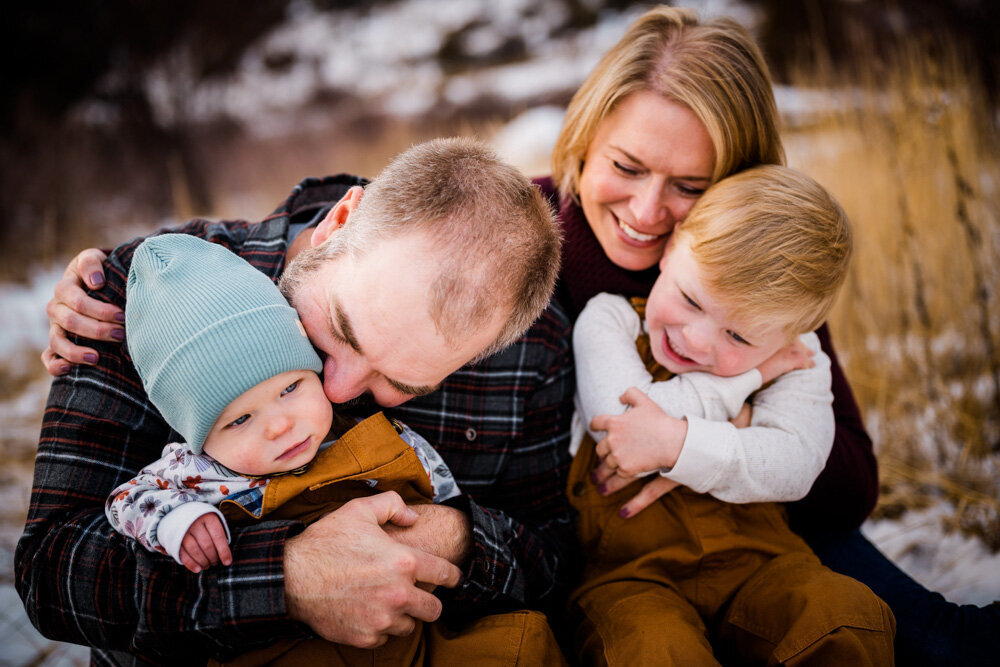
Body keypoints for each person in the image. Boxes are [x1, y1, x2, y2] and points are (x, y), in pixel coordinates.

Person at [33, 5, 1000, 665]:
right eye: (627, 165)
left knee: (905, 634)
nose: (653, 211)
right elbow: (400, 218)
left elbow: (839, 487)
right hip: (598, 561)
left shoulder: (732, 279)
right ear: (582, 143)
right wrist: (277, 575)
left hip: (749, 522)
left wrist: (732, 421)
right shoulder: (483, 257)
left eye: (693, 188)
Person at [17, 137, 574, 664]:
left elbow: (552, 561)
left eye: (402, 386)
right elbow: (52, 570)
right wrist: (287, 579)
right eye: (340, 329)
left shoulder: (530, 353)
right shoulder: (151, 297)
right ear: (337, 224)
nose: (337, 390)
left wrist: (450, 537)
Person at [105, 233, 562, 665]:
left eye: (291, 388)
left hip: (410, 637)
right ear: (197, 435)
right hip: (288, 651)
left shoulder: (375, 434)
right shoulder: (194, 471)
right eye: (240, 419)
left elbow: (441, 486)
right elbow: (126, 500)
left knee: (523, 646)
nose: (281, 425)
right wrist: (179, 520)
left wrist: (446, 522)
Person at [569, 164, 894, 664]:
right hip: (631, 575)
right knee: (651, 650)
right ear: (673, 248)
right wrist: (748, 380)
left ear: (793, 334)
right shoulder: (608, 318)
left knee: (842, 615)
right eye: (690, 298)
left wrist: (675, 444)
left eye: (738, 337)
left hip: (762, 563)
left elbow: (794, 464)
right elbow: (621, 421)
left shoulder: (799, 357)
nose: (695, 340)